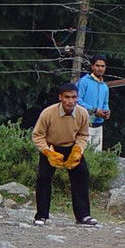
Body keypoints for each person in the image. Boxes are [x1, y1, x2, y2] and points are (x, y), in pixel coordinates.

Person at [31, 82, 99, 226]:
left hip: (71, 147)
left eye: (74, 97)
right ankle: (41, 215)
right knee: (43, 178)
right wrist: (47, 152)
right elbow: (37, 135)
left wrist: (78, 149)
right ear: (60, 97)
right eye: (67, 97)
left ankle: (83, 216)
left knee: (82, 174)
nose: (70, 101)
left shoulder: (82, 113)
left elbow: (83, 134)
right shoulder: (48, 113)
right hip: (51, 147)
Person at [75, 54, 111, 152]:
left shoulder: (105, 87)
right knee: (83, 155)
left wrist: (107, 112)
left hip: (99, 127)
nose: (100, 68)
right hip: (85, 125)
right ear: (92, 67)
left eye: (102, 66)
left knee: (96, 157)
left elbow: (105, 103)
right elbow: (77, 101)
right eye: (97, 65)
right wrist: (94, 110)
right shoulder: (83, 82)